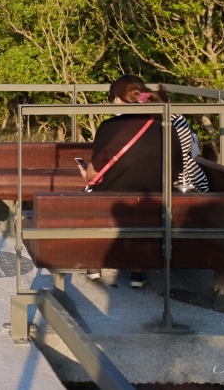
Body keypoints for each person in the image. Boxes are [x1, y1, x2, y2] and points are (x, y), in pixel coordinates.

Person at [76, 75, 185, 289]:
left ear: (118, 99)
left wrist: (86, 174)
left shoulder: (109, 126)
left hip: (112, 201)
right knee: (143, 210)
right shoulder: (166, 125)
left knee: (89, 195)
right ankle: (137, 271)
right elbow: (176, 168)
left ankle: (93, 263)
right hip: (154, 201)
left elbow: (93, 174)